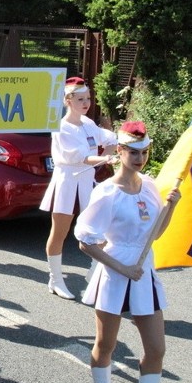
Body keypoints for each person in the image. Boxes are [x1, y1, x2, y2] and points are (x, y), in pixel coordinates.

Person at [74, 121, 179, 383]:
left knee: (157, 349)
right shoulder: (105, 193)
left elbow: (156, 233)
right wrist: (120, 267)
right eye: (133, 152)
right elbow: (84, 241)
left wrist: (172, 206)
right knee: (106, 346)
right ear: (119, 152)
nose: (140, 157)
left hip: (143, 272)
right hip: (116, 271)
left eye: (144, 152)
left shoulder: (149, 185)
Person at [39, 77, 117, 299]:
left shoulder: (89, 124)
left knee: (98, 230)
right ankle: (55, 279)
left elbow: (110, 138)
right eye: (81, 99)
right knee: (60, 233)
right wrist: (104, 159)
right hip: (66, 183)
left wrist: (111, 151)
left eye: (88, 99)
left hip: (86, 184)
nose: (86, 103)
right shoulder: (61, 127)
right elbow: (78, 156)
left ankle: (93, 272)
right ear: (68, 100)